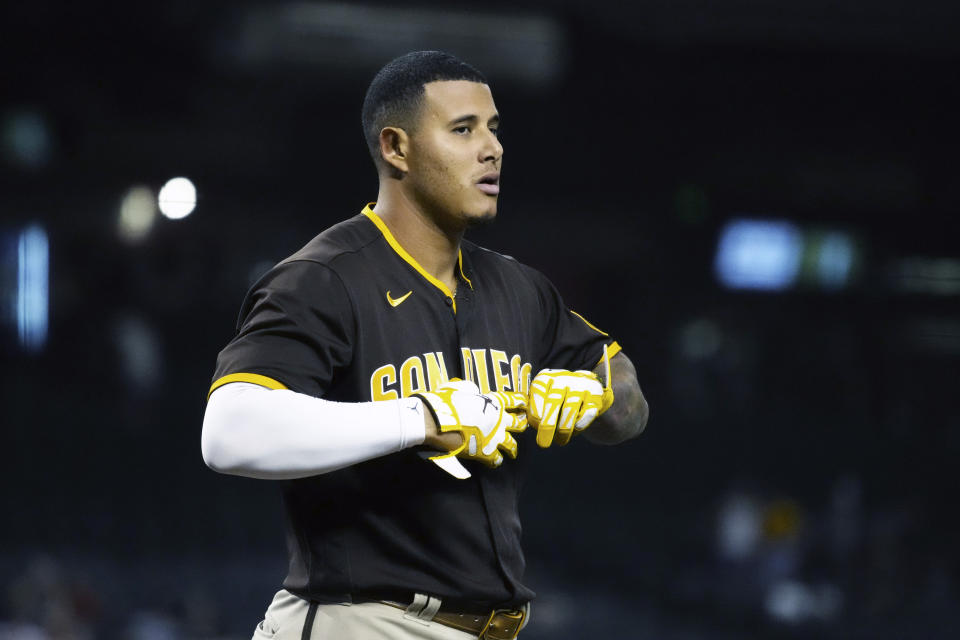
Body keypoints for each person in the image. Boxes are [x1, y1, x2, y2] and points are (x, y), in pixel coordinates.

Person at [201, 50, 649, 640]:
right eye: (463, 130)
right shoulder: (326, 277)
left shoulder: (519, 288)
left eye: (494, 129)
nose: (492, 148)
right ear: (396, 147)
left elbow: (631, 401)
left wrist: (594, 395)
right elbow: (227, 433)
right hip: (361, 621)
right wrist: (422, 414)